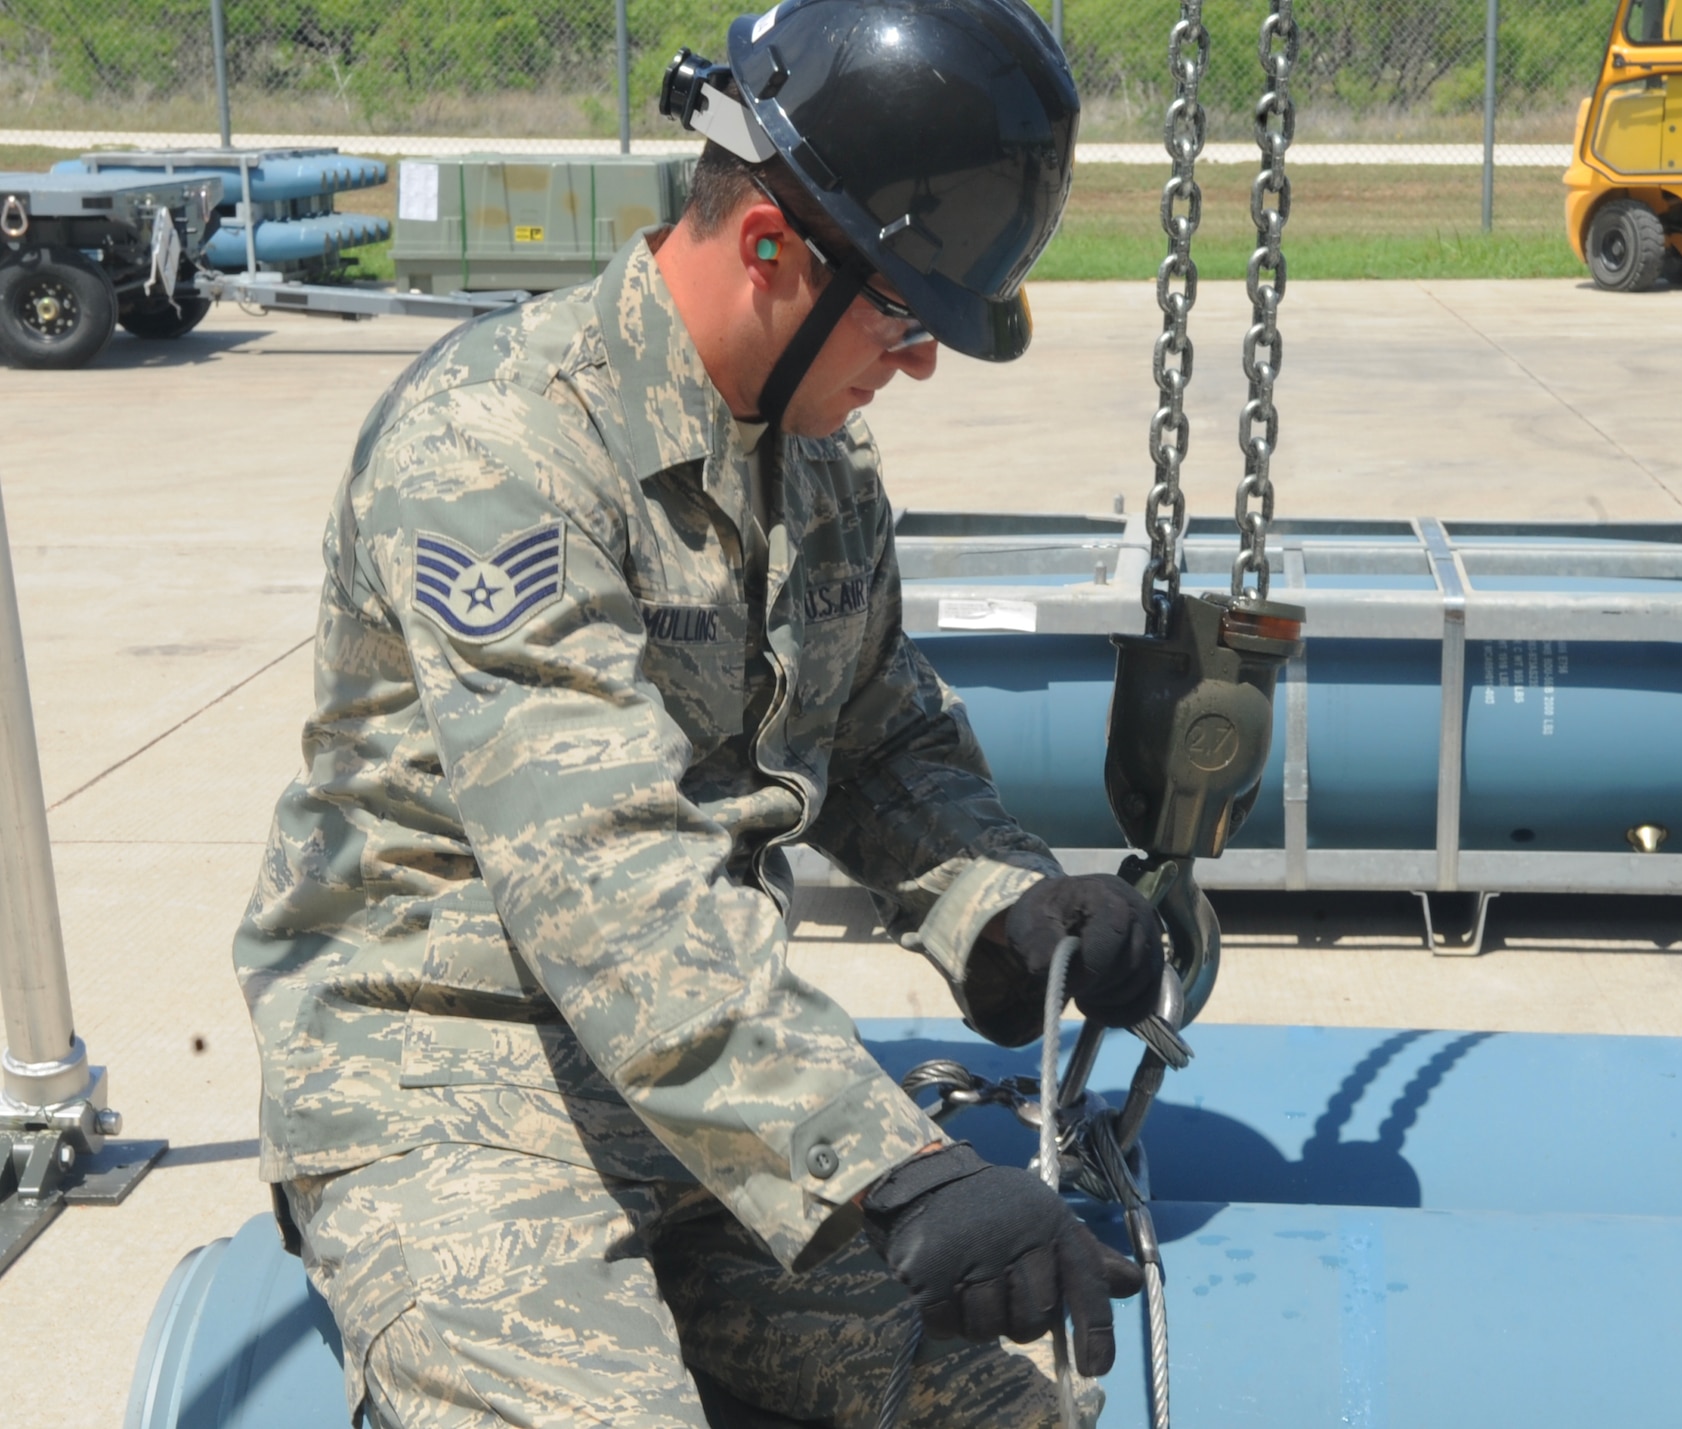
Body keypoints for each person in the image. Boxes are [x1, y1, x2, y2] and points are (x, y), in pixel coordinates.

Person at [231, 1, 1168, 1425]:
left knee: (1011, 1414)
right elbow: (605, 875)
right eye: (907, 311)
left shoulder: (816, 461)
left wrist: (1003, 906)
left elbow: (877, 736)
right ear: (771, 246)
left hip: (700, 1112)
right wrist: (890, 1168)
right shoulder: (500, 448)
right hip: (453, 1089)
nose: (916, 364)